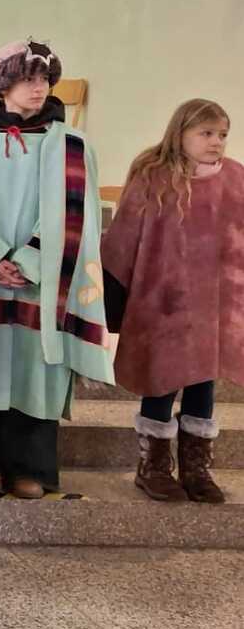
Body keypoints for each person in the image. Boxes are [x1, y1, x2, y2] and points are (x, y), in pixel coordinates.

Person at [0, 40, 113, 497]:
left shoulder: (72, 145)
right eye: (27, 79)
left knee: (36, 368)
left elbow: (75, 215)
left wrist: (26, 261)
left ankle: (32, 467)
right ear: (2, 85)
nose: (38, 88)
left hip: (44, 280)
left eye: (44, 79)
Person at [103, 99, 240, 504]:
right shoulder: (154, 176)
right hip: (161, 302)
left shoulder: (235, 179)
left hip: (212, 306)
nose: (216, 142)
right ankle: (154, 467)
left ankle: (196, 469)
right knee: (160, 377)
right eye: (206, 133)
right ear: (180, 134)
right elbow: (124, 238)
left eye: (222, 134)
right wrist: (118, 295)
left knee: (203, 380)